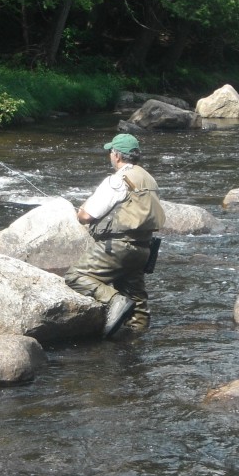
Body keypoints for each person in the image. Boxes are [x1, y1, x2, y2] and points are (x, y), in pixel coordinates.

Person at [64, 132, 165, 338]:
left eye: (111, 151)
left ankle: (113, 300)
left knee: (75, 276)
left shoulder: (117, 180)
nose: (110, 155)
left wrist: (80, 212)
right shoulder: (149, 179)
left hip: (118, 247)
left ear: (117, 156)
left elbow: (86, 216)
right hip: (143, 248)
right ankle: (136, 344)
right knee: (138, 303)